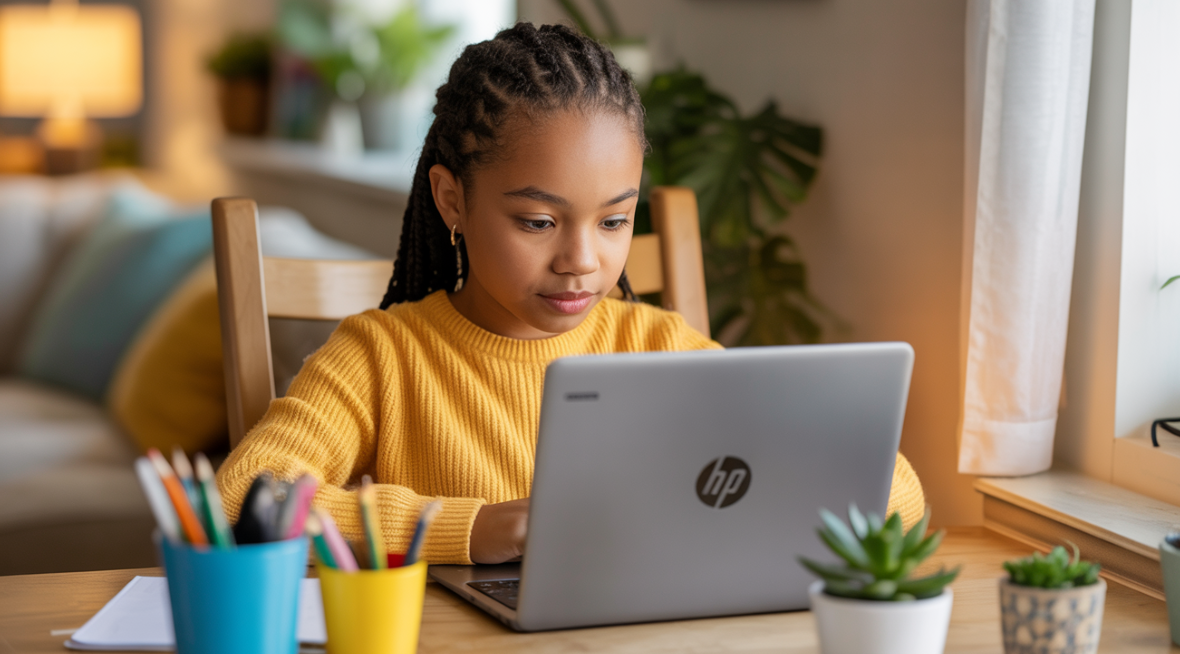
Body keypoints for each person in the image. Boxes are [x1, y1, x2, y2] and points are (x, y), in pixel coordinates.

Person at [217, 22, 925, 565]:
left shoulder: (658, 348)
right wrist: (468, 528)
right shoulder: (381, 357)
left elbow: (894, 489)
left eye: (615, 220)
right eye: (538, 222)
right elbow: (241, 498)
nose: (583, 260)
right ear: (452, 199)